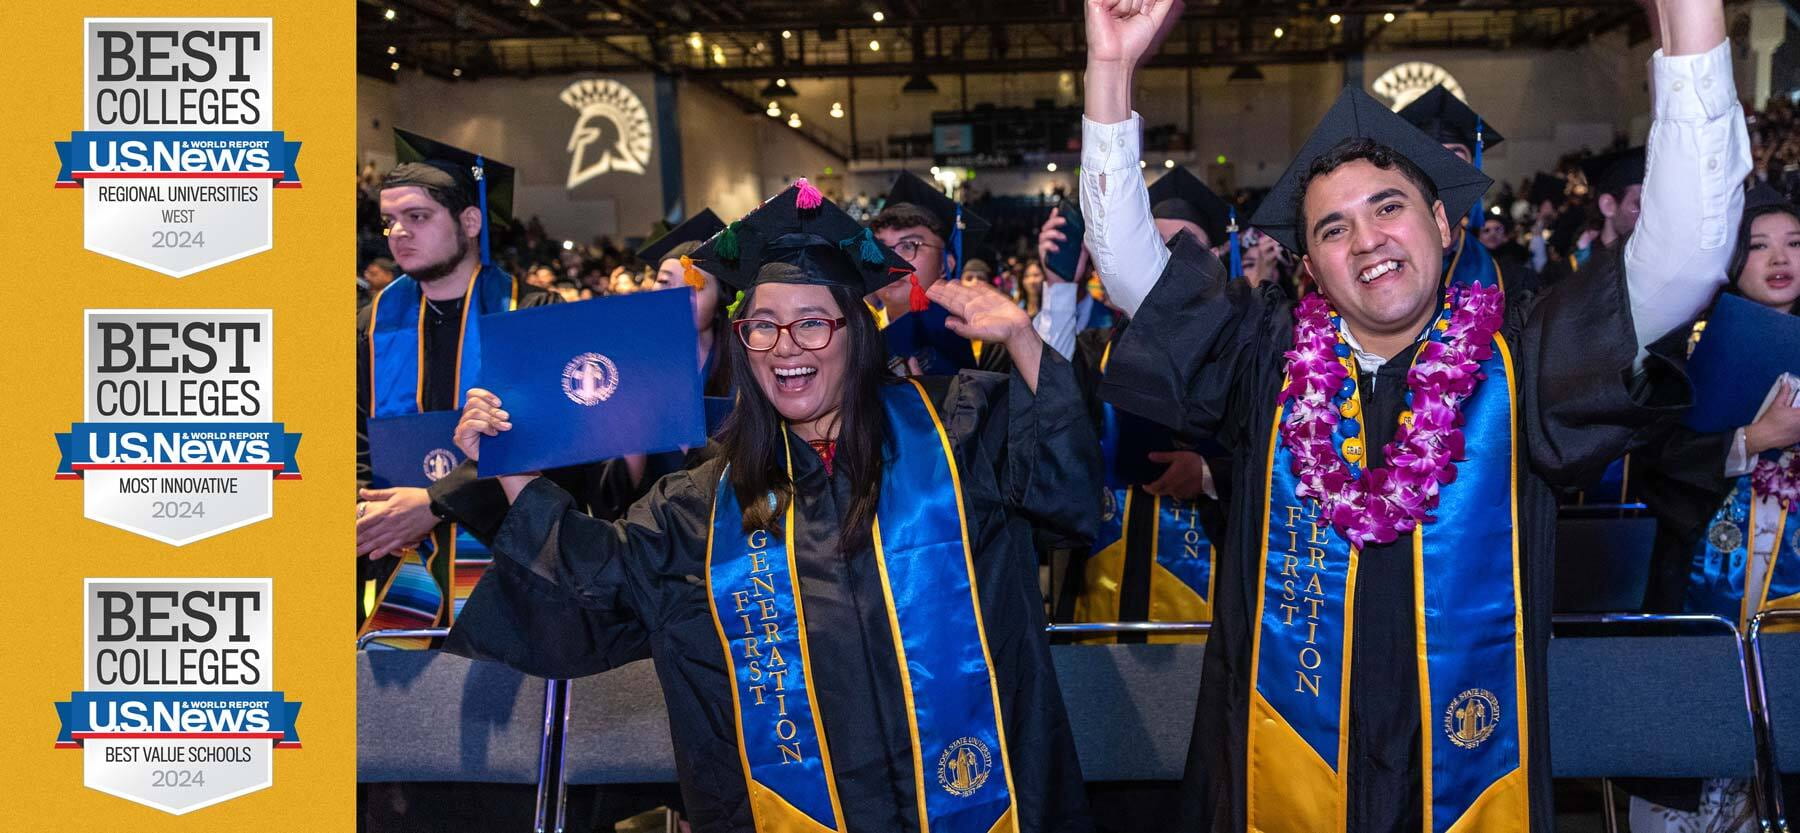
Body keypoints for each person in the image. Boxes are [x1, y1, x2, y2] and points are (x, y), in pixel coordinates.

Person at [1078, 0, 1746, 829]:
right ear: (1312, 268)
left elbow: (1685, 255)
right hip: (1273, 775)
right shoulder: (1265, 366)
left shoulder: (1523, 363)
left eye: (1388, 206)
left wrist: (1690, 24)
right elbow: (1136, 272)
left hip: (1471, 775)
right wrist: (1110, 72)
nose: (1366, 239)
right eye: (1332, 227)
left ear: (1440, 220)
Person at [445, 180, 1100, 833]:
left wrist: (1022, 337)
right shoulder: (701, 508)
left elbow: (1066, 489)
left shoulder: (959, 433)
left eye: (812, 322)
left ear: (859, 330)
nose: (786, 345)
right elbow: (590, 587)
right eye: (763, 325)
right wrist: (518, 471)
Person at [1626, 184, 1800, 833]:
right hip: (1703, 598)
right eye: (1758, 245)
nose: (1778, 258)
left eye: (1794, 243)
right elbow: (1653, 463)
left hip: (1795, 613)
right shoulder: (1686, 353)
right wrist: (1758, 439)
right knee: (1698, 778)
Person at [354, 131, 558, 644]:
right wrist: (369, 507)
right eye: (390, 220)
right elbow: (350, 434)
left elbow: (544, 441)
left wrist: (435, 502)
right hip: (395, 551)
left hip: (506, 550)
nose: (397, 232)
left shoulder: (533, 314)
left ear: (470, 221)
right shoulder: (369, 326)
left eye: (417, 217)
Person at [869, 171, 1006, 374]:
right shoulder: (853, 337)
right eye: (880, 248)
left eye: (909, 245)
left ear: (946, 265)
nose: (891, 262)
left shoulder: (986, 341)